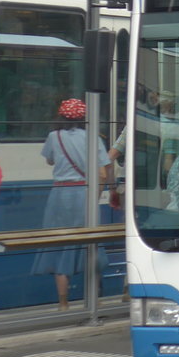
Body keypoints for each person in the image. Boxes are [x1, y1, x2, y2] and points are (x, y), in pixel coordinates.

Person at [32, 98, 110, 310]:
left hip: (59, 194)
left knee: (60, 243)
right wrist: (95, 195)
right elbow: (103, 172)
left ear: (61, 116)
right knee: (91, 243)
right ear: (84, 118)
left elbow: (49, 160)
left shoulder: (53, 136)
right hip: (84, 193)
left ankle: (63, 303)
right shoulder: (92, 138)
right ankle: (94, 299)